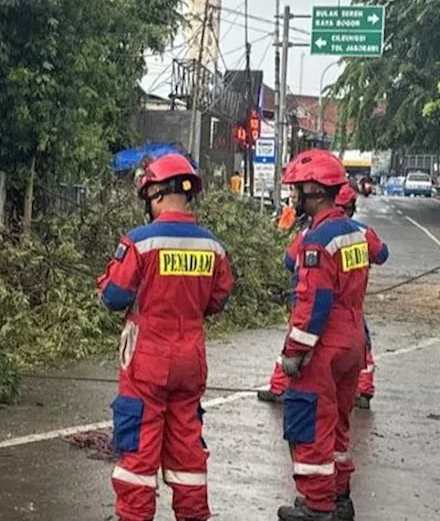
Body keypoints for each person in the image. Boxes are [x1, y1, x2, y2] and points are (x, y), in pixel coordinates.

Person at [98, 153, 234, 521]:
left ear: (156, 193)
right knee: (187, 448)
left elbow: (113, 296)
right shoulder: (213, 247)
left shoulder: (141, 242)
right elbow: (219, 299)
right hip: (191, 358)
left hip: (148, 360)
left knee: (138, 451)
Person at [274, 149, 375, 521]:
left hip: (324, 345)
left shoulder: (317, 240)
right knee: (338, 424)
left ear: (315, 190)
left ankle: (316, 507)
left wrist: (294, 351)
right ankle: (340, 498)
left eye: (297, 190)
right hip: (353, 341)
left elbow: (313, 301)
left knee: (309, 425)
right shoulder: (354, 233)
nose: (294, 197)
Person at [259, 185, 385, 408]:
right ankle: (364, 389)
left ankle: (279, 386)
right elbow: (381, 254)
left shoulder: (313, 234)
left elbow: (289, 262)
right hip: (352, 308)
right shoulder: (361, 233)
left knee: (298, 342)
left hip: (314, 303)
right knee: (359, 346)